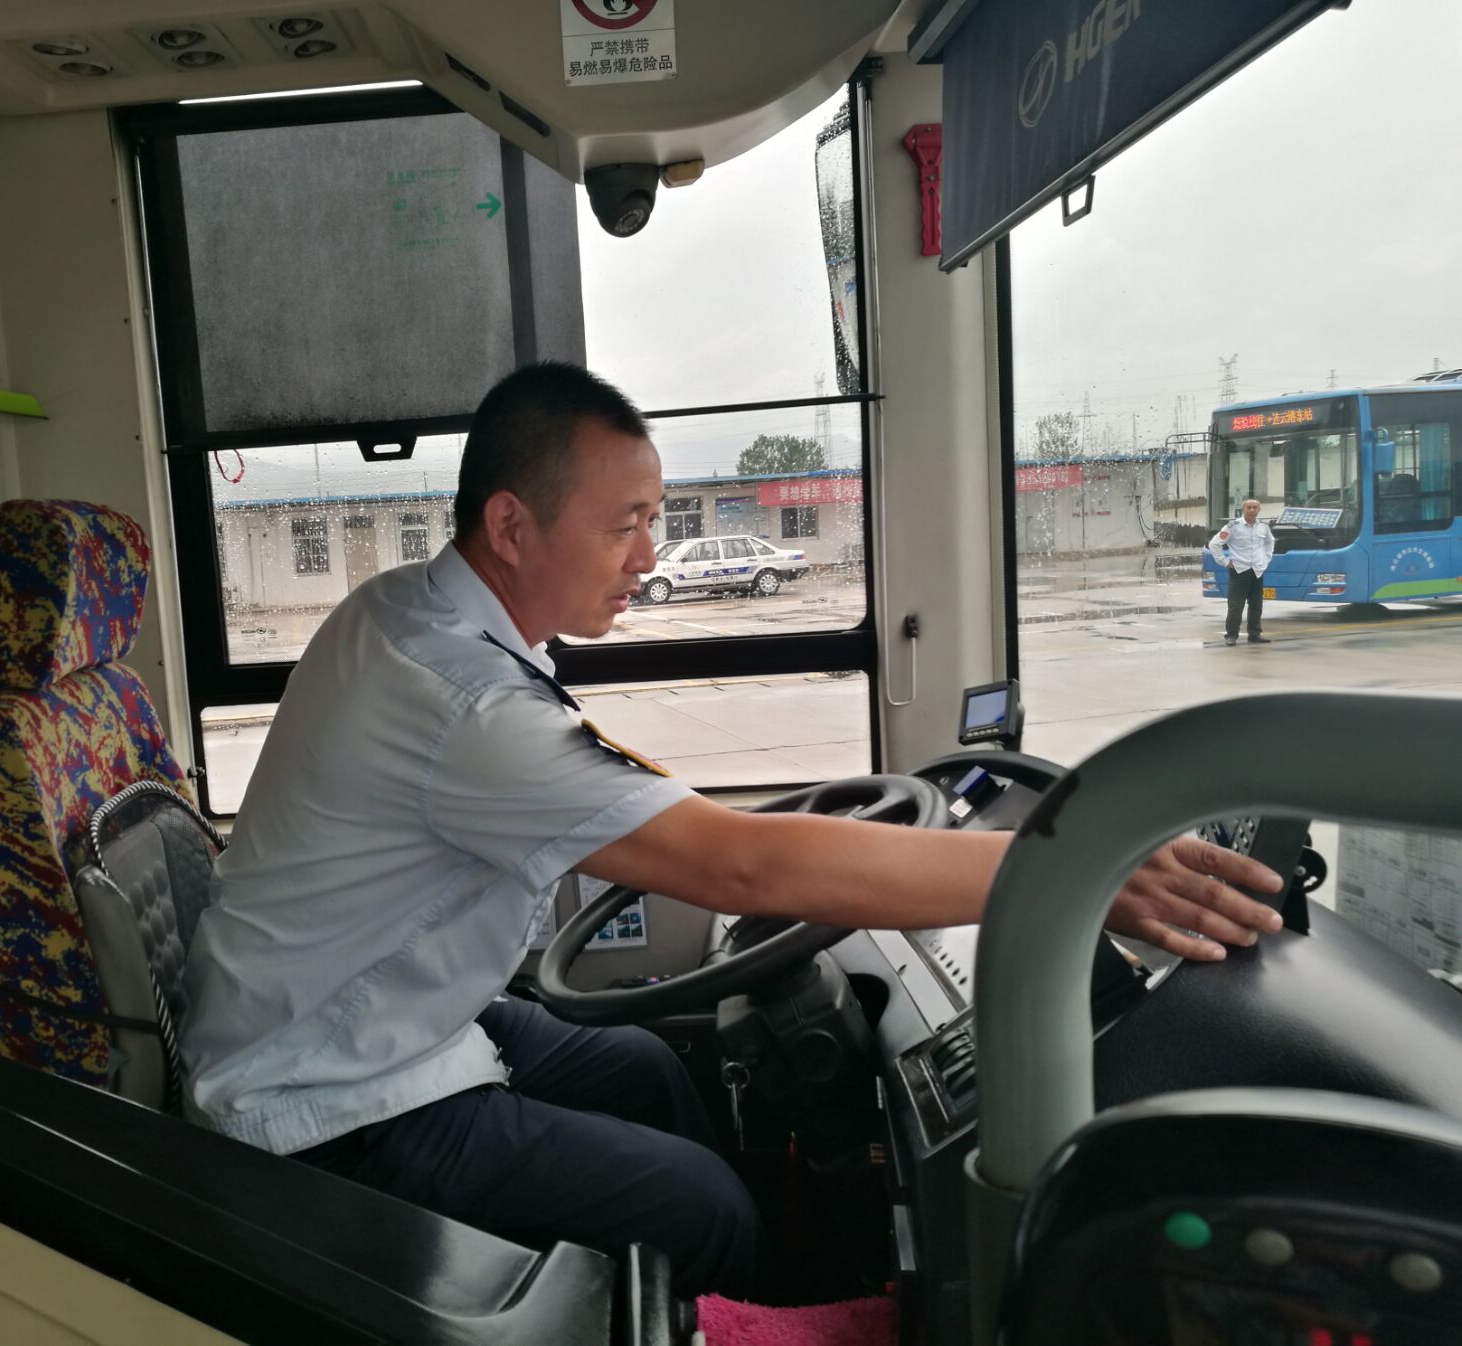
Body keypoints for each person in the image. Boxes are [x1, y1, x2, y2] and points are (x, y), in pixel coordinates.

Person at [178, 363, 1284, 1296]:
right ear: (510, 526)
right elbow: (739, 864)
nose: (647, 555)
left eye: (653, 520)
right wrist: (1077, 869)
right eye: (624, 525)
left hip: (387, 1024)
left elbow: (700, 834)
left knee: (649, 1070)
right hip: (323, 1102)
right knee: (697, 1201)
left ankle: (758, 1289)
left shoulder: (407, 613)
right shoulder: (460, 700)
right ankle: (752, 1295)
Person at [1210, 498, 1275, 645]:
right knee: (1236, 605)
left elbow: (1270, 542)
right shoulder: (1232, 526)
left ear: (1259, 510)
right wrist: (1224, 561)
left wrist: (1266, 558)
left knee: (1256, 605)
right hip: (1239, 570)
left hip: (1257, 570)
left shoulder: (1264, 527)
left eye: (1255, 507)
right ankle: (1231, 635)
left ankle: (1255, 634)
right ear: (1242, 510)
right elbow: (1214, 544)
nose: (1252, 510)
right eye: (1249, 507)